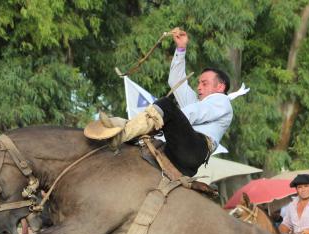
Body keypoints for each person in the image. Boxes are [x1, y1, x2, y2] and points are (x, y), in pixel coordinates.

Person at [86, 28, 232, 177]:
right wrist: (181, 49)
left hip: (194, 150)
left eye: (204, 83)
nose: (199, 86)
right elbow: (175, 80)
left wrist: (159, 121)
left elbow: (191, 114)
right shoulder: (197, 101)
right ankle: (121, 127)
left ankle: (122, 133)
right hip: (179, 150)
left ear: (220, 87)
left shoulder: (223, 101)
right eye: (199, 83)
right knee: (161, 116)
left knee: (167, 105)